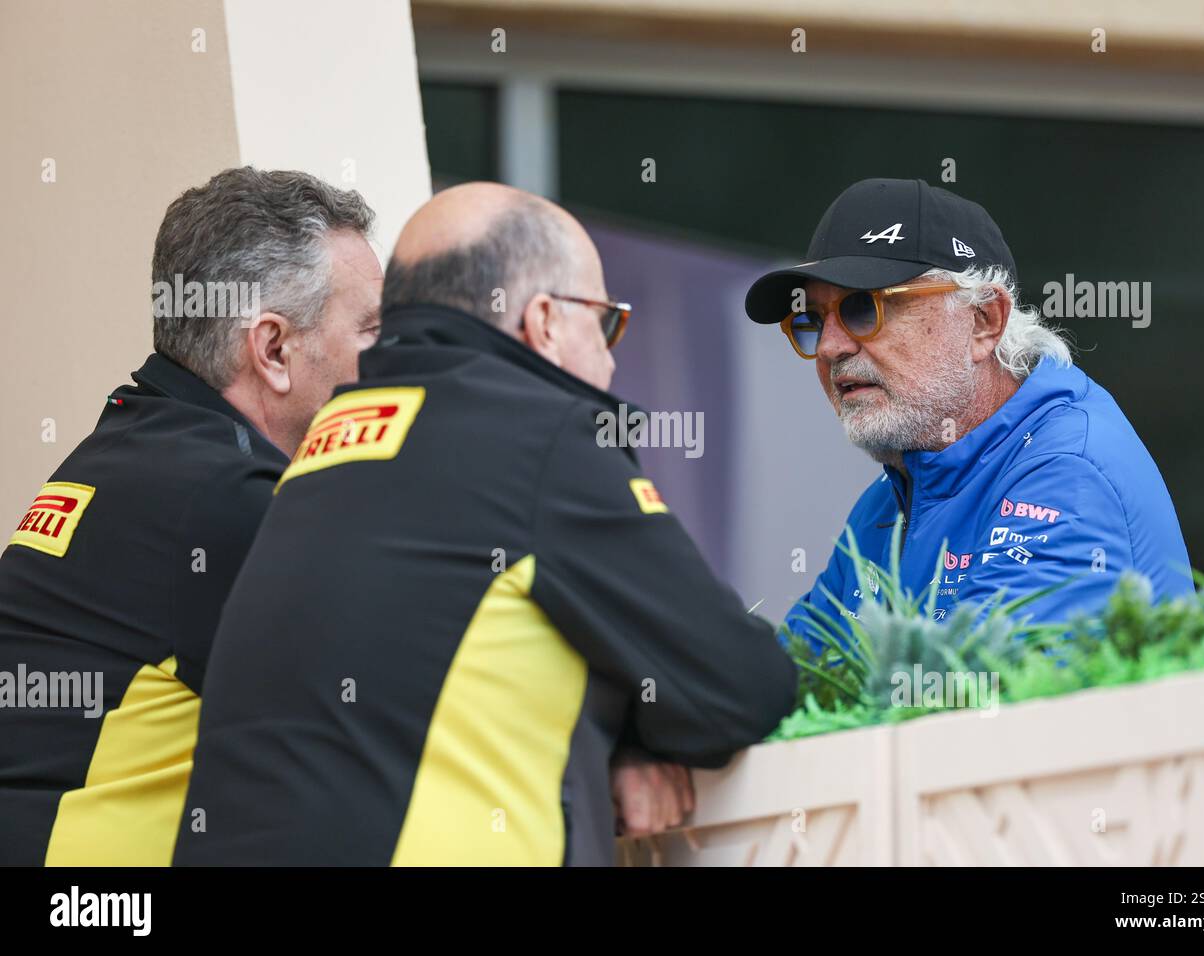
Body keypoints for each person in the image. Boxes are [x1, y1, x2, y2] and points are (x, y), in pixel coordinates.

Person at [173, 182, 796, 866]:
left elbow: (430, 668)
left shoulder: (328, 448)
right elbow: (740, 686)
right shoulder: (537, 437)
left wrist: (624, 735)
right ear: (546, 322)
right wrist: (645, 734)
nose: (613, 360)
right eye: (607, 323)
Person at [0, 167, 381, 865]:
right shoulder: (223, 497)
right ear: (272, 351)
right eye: (373, 329)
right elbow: (412, 694)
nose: (397, 359)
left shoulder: (139, 448)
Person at [744, 178, 1192, 641]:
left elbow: (974, 700)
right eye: (813, 319)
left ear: (983, 322)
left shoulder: (1067, 474)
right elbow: (793, 681)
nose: (830, 346)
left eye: (864, 307)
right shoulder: (890, 497)